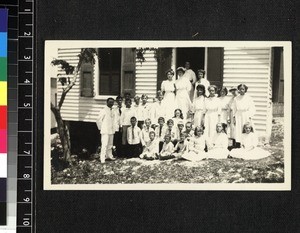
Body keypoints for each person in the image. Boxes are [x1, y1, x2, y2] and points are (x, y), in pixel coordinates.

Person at [96, 98, 117, 163]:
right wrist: (101, 128)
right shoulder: (103, 110)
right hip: (105, 130)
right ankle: (102, 158)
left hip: (111, 130)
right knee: (104, 144)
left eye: (112, 102)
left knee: (110, 144)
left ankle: (109, 156)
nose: (111, 103)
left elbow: (114, 120)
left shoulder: (113, 110)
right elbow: (98, 120)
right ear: (107, 102)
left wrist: (115, 128)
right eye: (110, 102)